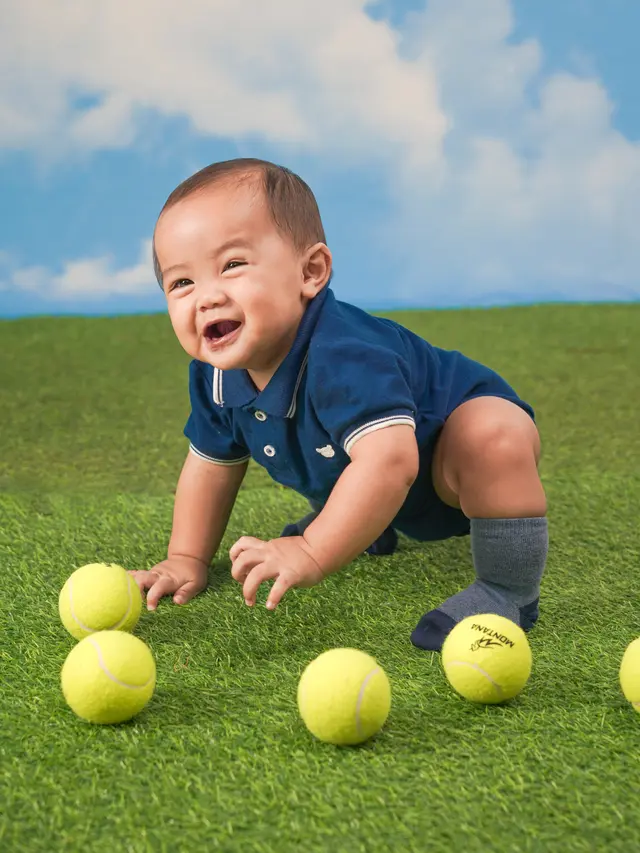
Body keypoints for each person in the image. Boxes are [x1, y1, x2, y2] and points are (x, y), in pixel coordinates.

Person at [130, 158, 548, 651]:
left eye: (233, 265)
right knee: (344, 457)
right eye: (181, 283)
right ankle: (369, 524)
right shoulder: (216, 376)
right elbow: (209, 467)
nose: (206, 298)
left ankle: (507, 591)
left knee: (492, 433)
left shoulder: (343, 354)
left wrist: (312, 549)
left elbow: (391, 461)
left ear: (311, 272)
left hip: (445, 467)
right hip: (375, 478)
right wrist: (185, 557)